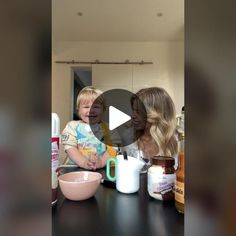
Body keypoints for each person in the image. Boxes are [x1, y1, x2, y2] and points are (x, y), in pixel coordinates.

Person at [61, 86, 117, 170]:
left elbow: (113, 149)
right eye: (86, 107)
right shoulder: (72, 126)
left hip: (99, 168)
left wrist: (101, 162)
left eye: (96, 107)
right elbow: (70, 148)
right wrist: (84, 162)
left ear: (103, 110)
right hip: (74, 168)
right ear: (78, 110)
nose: (91, 110)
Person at [124, 87, 178, 168]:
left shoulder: (176, 144)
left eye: (138, 111)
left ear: (157, 113)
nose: (133, 115)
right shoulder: (129, 139)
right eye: (133, 110)